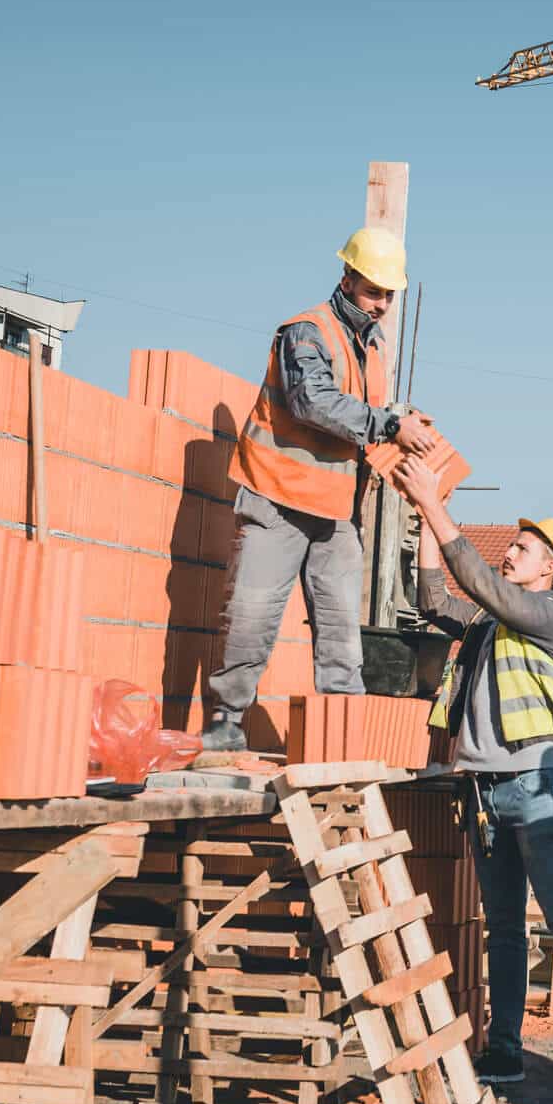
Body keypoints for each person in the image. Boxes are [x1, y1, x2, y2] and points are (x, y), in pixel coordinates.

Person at [393, 455, 553, 1099]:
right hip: (484, 792)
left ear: (549, 569)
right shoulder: (488, 624)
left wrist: (438, 509)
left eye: (521, 550)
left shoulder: (547, 616)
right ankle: (506, 1049)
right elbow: (436, 599)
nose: (510, 555)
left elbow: (478, 584)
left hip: (534, 788)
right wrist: (422, 523)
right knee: (502, 926)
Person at [200, 227, 426, 753]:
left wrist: (393, 431)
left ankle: (338, 739)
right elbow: (312, 401)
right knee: (253, 619)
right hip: (278, 499)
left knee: (343, 636)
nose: (382, 304)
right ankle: (225, 722)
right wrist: (388, 425)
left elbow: (359, 421)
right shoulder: (306, 331)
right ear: (346, 277)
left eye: (390, 295)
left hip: (335, 511)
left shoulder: (374, 345)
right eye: (374, 291)